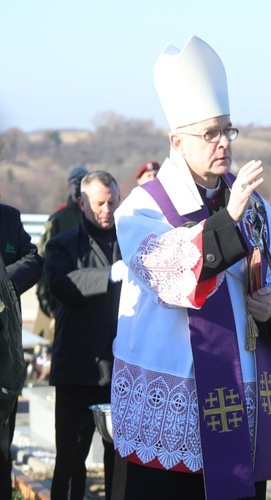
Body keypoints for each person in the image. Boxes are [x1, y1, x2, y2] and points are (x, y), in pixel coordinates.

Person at [110, 36, 271, 499]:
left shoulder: (254, 206)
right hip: (177, 406)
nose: (223, 143)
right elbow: (169, 272)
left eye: (228, 130)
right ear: (177, 140)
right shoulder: (143, 209)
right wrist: (229, 221)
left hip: (243, 399)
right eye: (210, 133)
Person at [45, 171, 122, 500]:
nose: (107, 210)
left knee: (119, 462)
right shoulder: (62, 244)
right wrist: (109, 275)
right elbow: (62, 285)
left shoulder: (129, 242)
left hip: (119, 369)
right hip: (78, 367)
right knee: (71, 460)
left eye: (112, 202)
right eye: (99, 203)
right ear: (82, 203)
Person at [0, 202, 43, 499]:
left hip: (6, 355)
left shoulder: (9, 217)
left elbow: (33, 259)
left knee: (3, 449)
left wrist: (4, 282)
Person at [34, 165, 88, 339]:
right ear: (69, 187)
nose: (78, 187)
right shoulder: (57, 220)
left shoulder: (97, 216)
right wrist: (42, 292)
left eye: (83, 183)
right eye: (75, 183)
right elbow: (43, 257)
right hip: (61, 293)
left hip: (91, 291)